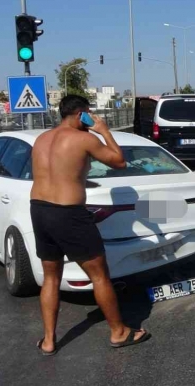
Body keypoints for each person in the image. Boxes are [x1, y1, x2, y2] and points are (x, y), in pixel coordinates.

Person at [31, 95, 150, 356]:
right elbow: (119, 162)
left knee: (51, 277)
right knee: (99, 275)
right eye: (89, 113)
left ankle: (49, 341)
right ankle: (119, 332)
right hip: (68, 215)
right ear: (82, 114)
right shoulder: (85, 138)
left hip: (39, 210)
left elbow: (58, 174)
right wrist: (105, 131)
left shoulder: (41, 139)